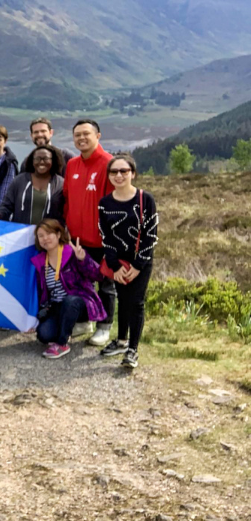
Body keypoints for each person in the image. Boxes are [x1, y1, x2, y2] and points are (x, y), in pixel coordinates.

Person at [98, 154, 159, 369]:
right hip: (118, 263)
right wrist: (115, 267)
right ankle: (121, 341)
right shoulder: (105, 203)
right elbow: (106, 237)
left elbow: (151, 235)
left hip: (141, 262)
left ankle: (133, 350)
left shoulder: (145, 199)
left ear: (133, 173)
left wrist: (137, 266)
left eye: (124, 171)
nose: (119, 175)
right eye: (114, 172)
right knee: (122, 300)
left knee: (136, 302)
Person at [63, 119, 115, 346]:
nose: (81, 138)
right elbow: (66, 199)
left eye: (86, 134)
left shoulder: (109, 163)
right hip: (77, 239)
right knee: (81, 283)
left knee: (105, 283)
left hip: (102, 240)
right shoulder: (72, 164)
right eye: (77, 135)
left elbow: (115, 204)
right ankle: (84, 322)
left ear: (98, 136)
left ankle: (105, 326)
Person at [30, 219, 108, 359]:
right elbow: (41, 293)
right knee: (43, 334)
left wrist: (84, 260)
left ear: (59, 234)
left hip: (80, 302)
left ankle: (62, 343)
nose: (45, 238)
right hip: (57, 306)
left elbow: (98, 275)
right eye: (41, 236)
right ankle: (70, 327)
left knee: (70, 301)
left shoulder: (71, 253)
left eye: (49, 233)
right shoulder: (40, 261)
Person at [0, 145, 64, 225]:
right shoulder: (19, 180)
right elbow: (7, 206)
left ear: (53, 160)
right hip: (22, 234)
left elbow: (65, 212)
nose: (41, 162)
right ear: (32, 161)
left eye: (46, 158)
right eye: (37, 159)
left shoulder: (61, 184)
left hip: (48, 235)